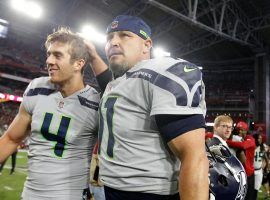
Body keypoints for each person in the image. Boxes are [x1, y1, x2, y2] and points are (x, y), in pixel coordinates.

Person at [92, 15, 209, 200]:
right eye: (109, 38)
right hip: (112, 188)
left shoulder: (163, 72)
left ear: (146, 45)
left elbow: (194, 157)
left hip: (149, 194)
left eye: (124, 35)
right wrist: (92, 56)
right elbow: (113, 83)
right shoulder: (120, 82)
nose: (113, 42)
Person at [0, 27, 107, 200]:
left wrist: (94, 57)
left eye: (57, 55)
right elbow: (11, 138)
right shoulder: (37, 87)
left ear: (78, 64)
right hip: (30, 195)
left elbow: (122, 93)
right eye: (49, 54)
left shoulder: (96, 102)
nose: (49, 60)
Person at [227, 121, 256, 200]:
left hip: (248, 173)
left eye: (242, 130)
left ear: (246, 131)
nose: (240, 131)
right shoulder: (236, 139)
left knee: (249, 197)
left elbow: (243, 145)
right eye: (238, 129)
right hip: (238, 173)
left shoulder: (250, 138)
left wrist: (225, 142)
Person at [253, 133, 267, 199]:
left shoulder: (262, 147)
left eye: (261, 138)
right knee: (249, 189)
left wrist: (264, 165)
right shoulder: (251, 146)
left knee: (256, 190)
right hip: (251, 171)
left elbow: (264, 158)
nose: (260, 140)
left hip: (259, 171)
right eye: (259, 138)